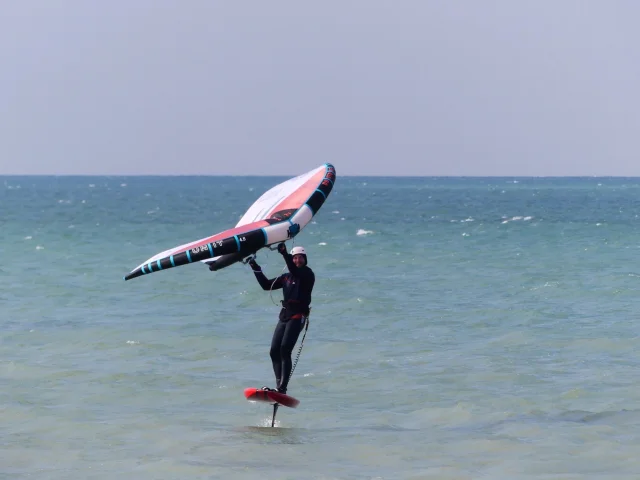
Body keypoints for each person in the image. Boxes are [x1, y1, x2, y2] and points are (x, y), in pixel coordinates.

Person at [247, 242, 315, 395]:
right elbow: (266, 285)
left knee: (285, 350)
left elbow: (296, 272)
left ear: (305, 260)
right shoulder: (286, 277)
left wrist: (285, 254)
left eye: (300, 258)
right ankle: (278, 386)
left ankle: (283, 388)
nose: (297, 260)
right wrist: (254, 266)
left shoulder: (307, 274)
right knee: (273, 351)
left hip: (298, 316)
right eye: (295, 258)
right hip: (285, 316)